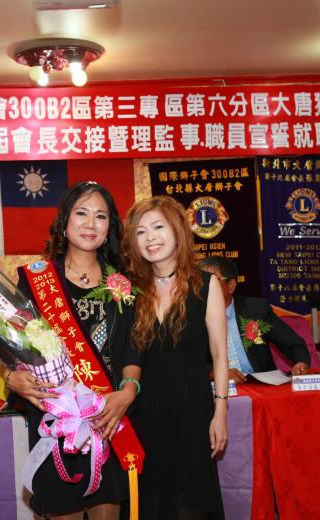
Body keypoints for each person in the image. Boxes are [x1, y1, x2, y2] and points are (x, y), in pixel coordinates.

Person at [5, 181, 140, 520]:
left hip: (108, 418)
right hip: (57, 418)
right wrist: (10, 377)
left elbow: (133, 347)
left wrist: (127, 392)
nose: (90, 223)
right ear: (64, 222)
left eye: (101, 216)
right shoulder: (37, 280)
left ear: (109, 228)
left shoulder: (123, 282)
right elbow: (12, 346)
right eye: (81, 213)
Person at [123, 195, 228, 520]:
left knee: (188, 502)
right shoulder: (130, 288)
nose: (150, 238)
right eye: (141, 232)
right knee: (149, 500)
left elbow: (219, 354)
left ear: (178, 230)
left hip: (192, 406)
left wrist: (220, 413)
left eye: (158, 227)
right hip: (145, 409)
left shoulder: (206, 284)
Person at [199, 256, 310, 383]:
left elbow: (292, 342)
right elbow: (188, 361)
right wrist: (214, 373)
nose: (202, 287)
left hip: (260, 385)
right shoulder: (192, 317)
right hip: (218, 388)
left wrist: (300, 363)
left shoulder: (256, 310)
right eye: (199, 282)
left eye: (210, 281)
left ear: (230, 285)